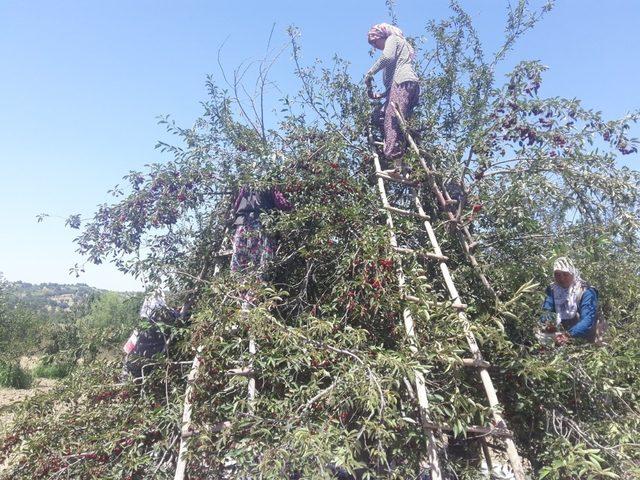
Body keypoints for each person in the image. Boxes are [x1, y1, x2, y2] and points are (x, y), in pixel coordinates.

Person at [365, 23, 420, 171]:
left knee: (392, 118)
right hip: (405, 85)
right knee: (383, 116)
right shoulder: (401, 46)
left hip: (402, 82)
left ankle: (398, 163)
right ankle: (402, 160)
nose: (376, 47)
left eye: (375, 42)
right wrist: (380, 95)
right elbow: (392, 86)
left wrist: (370, 73)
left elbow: (386, 57)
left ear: (381, 36)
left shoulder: (393, 39)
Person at [230, 186, 292, 282]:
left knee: (240, 263)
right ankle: (258, 290)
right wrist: (294, 208)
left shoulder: (244, 186)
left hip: (242, 227)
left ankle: (241, 290)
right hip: (260, 226)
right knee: (262, 263)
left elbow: (236, 206)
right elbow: (283, 205)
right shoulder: (269, 184)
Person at [540, 257, 601, 345]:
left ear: (573, 273)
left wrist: (568, 335)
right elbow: (547, 310)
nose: (562, 278)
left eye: (565, 274)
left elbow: (588, 320)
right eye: (558, 275)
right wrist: (548, 324)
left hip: (585, 334)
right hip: (561, 332)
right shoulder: (553, 289)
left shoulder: (586, 291)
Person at [122, 290, 179, 380]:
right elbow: (180, 316)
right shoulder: (170, 317)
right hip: (152, 364)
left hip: (135, 364)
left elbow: (127, 349)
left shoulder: (143, 325)